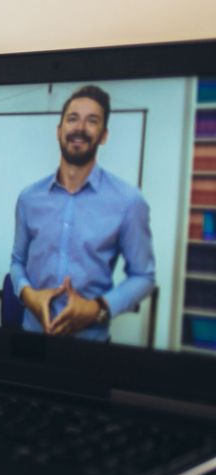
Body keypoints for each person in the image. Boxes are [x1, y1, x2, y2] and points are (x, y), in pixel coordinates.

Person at [10, 85, 155, 340]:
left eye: (92, 121)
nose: (79, 128)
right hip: (30, 343)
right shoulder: (28, 198)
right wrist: (28, 295)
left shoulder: (129, 201)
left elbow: (143, 276)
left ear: (104, 135)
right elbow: (17, 262)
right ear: (59, 130)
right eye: (73, 119)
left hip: (91, 352)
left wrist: (98, 309)